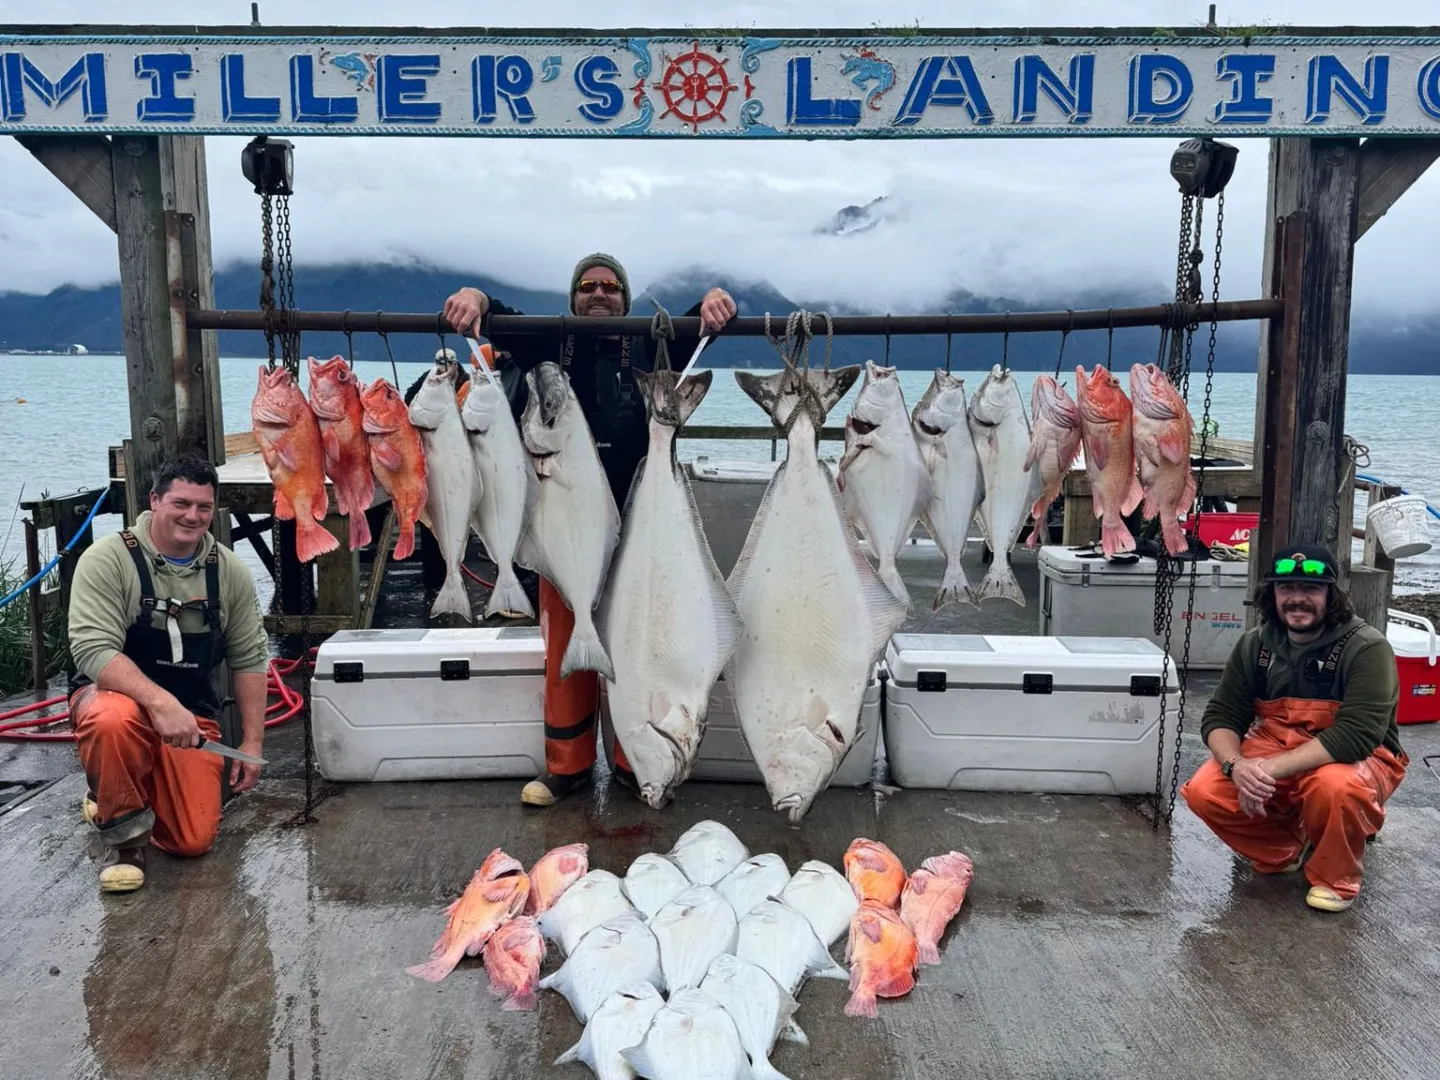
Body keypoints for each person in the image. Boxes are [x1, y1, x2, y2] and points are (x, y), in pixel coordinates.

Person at [443, 253, 737, 807]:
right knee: (563, 651)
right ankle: (568, 767)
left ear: (625, 298)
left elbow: (701, 326)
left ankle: (635, 761)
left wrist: (714, 302)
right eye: (587, 286)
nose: (598, 295)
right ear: (573, 296)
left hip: (636, 522)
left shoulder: (651, 341)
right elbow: (498, 318)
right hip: (562, 526)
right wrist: (476, 297)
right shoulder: (551, 342)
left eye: (609, 287)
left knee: (634, 646)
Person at [66, 455, 270, 892]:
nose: (192, 516)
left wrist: (252, 741)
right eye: (180, 503)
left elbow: (250, 657)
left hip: (192, 716)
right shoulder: (108, 559)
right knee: (112, 720)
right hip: (113, 699)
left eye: (202, 507)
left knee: (192, 840)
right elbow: (91, 648)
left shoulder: (229, 571)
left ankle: (111, 794)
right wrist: (160, 704)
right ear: (154, 501)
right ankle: (126, 844)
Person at [1180, 544, 1408, 912]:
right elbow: (1222, 716)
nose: (1297, 599)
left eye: (1310, 589)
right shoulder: (1256, 643)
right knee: (1204, 791)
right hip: (1276, 745)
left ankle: (1336, 878)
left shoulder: (1367, 647)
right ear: (1271, 593)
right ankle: (1285, 847)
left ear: (1332, 595)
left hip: (1359, 756)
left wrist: (1264, 772)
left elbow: (1357, 735)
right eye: (1287, 589)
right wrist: (1236, 768)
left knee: (1335, 787)